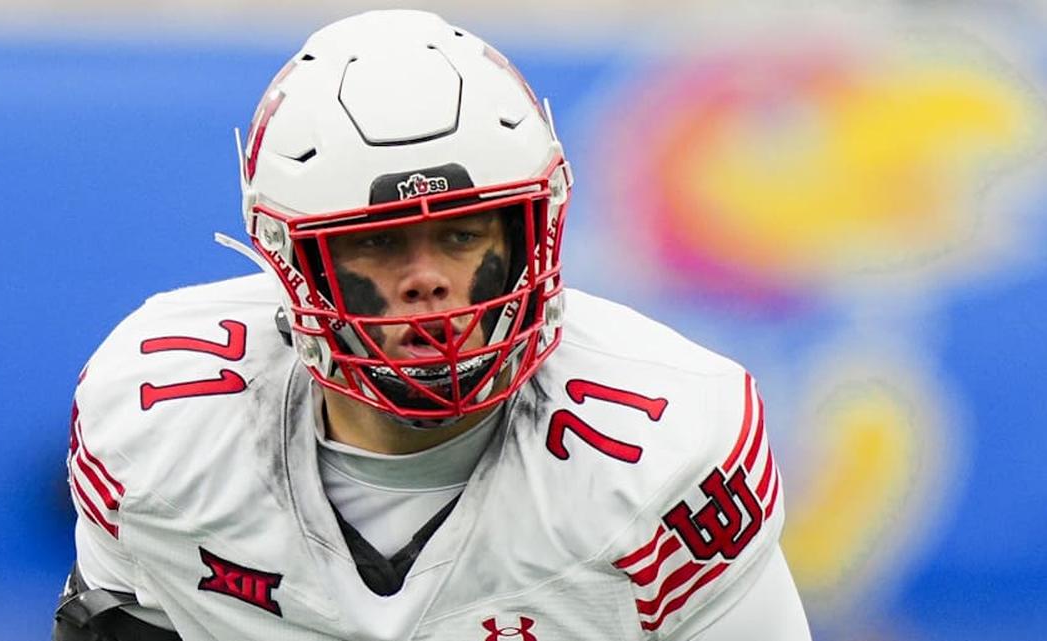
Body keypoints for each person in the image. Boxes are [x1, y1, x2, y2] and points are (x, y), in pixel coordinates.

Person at [53, 9, 811, 641]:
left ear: (526, 234)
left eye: (462, 234)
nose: (431, 280)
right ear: (292, 258)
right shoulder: (162, 425)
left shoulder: (665, 454)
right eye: (378, 241)